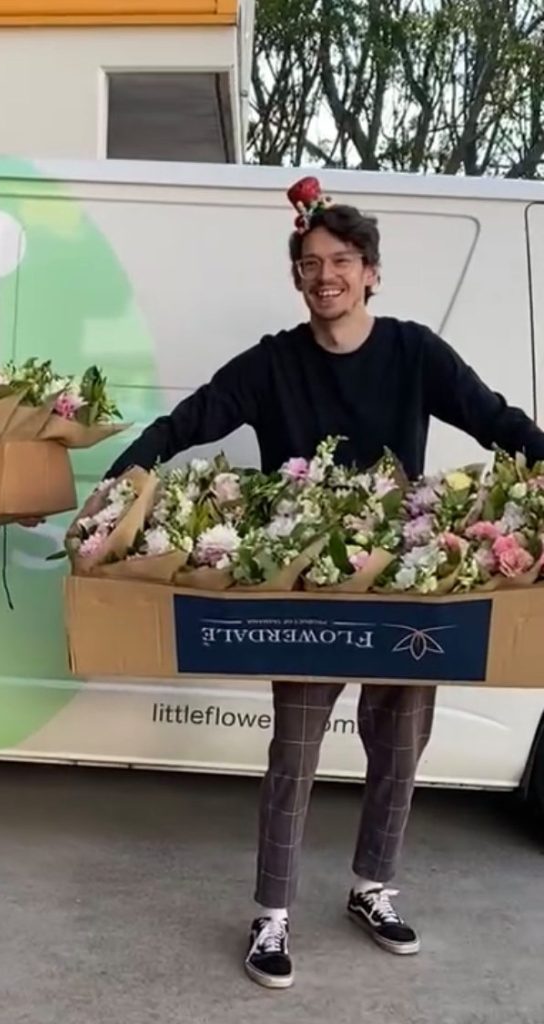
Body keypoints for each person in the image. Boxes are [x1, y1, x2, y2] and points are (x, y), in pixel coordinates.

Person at [104, 177, 544, 989]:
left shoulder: (414, 352)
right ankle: (271, 915)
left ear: (371, 271)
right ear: (297, 276)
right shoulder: (273, 364)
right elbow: (190, 420)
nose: (326, 275)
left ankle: (372, 887)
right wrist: (121, 478)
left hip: (409, 580)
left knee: (399, 748)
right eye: (311, 262)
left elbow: (496, 418)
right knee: (294, 755)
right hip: (305, 586)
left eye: (341, 260)